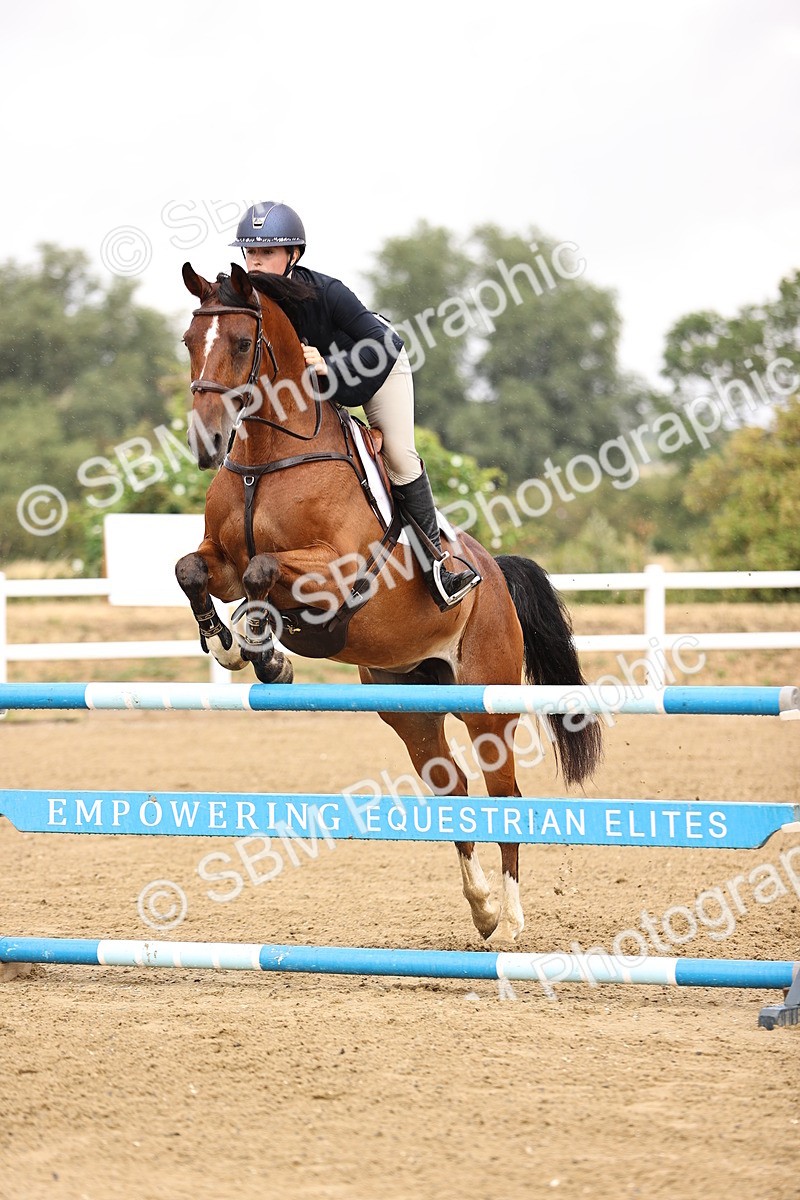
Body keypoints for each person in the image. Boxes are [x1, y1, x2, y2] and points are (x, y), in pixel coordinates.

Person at [229, 200, 481, 610]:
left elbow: (381, 344)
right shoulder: (247, 301)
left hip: (375, 367)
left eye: (267, 252)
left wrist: (331, 365)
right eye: (250, 251)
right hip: (315, 386)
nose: (255, 261)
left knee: (399, 456)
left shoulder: (327, 292)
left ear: (293, 254)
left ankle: (439, 566)